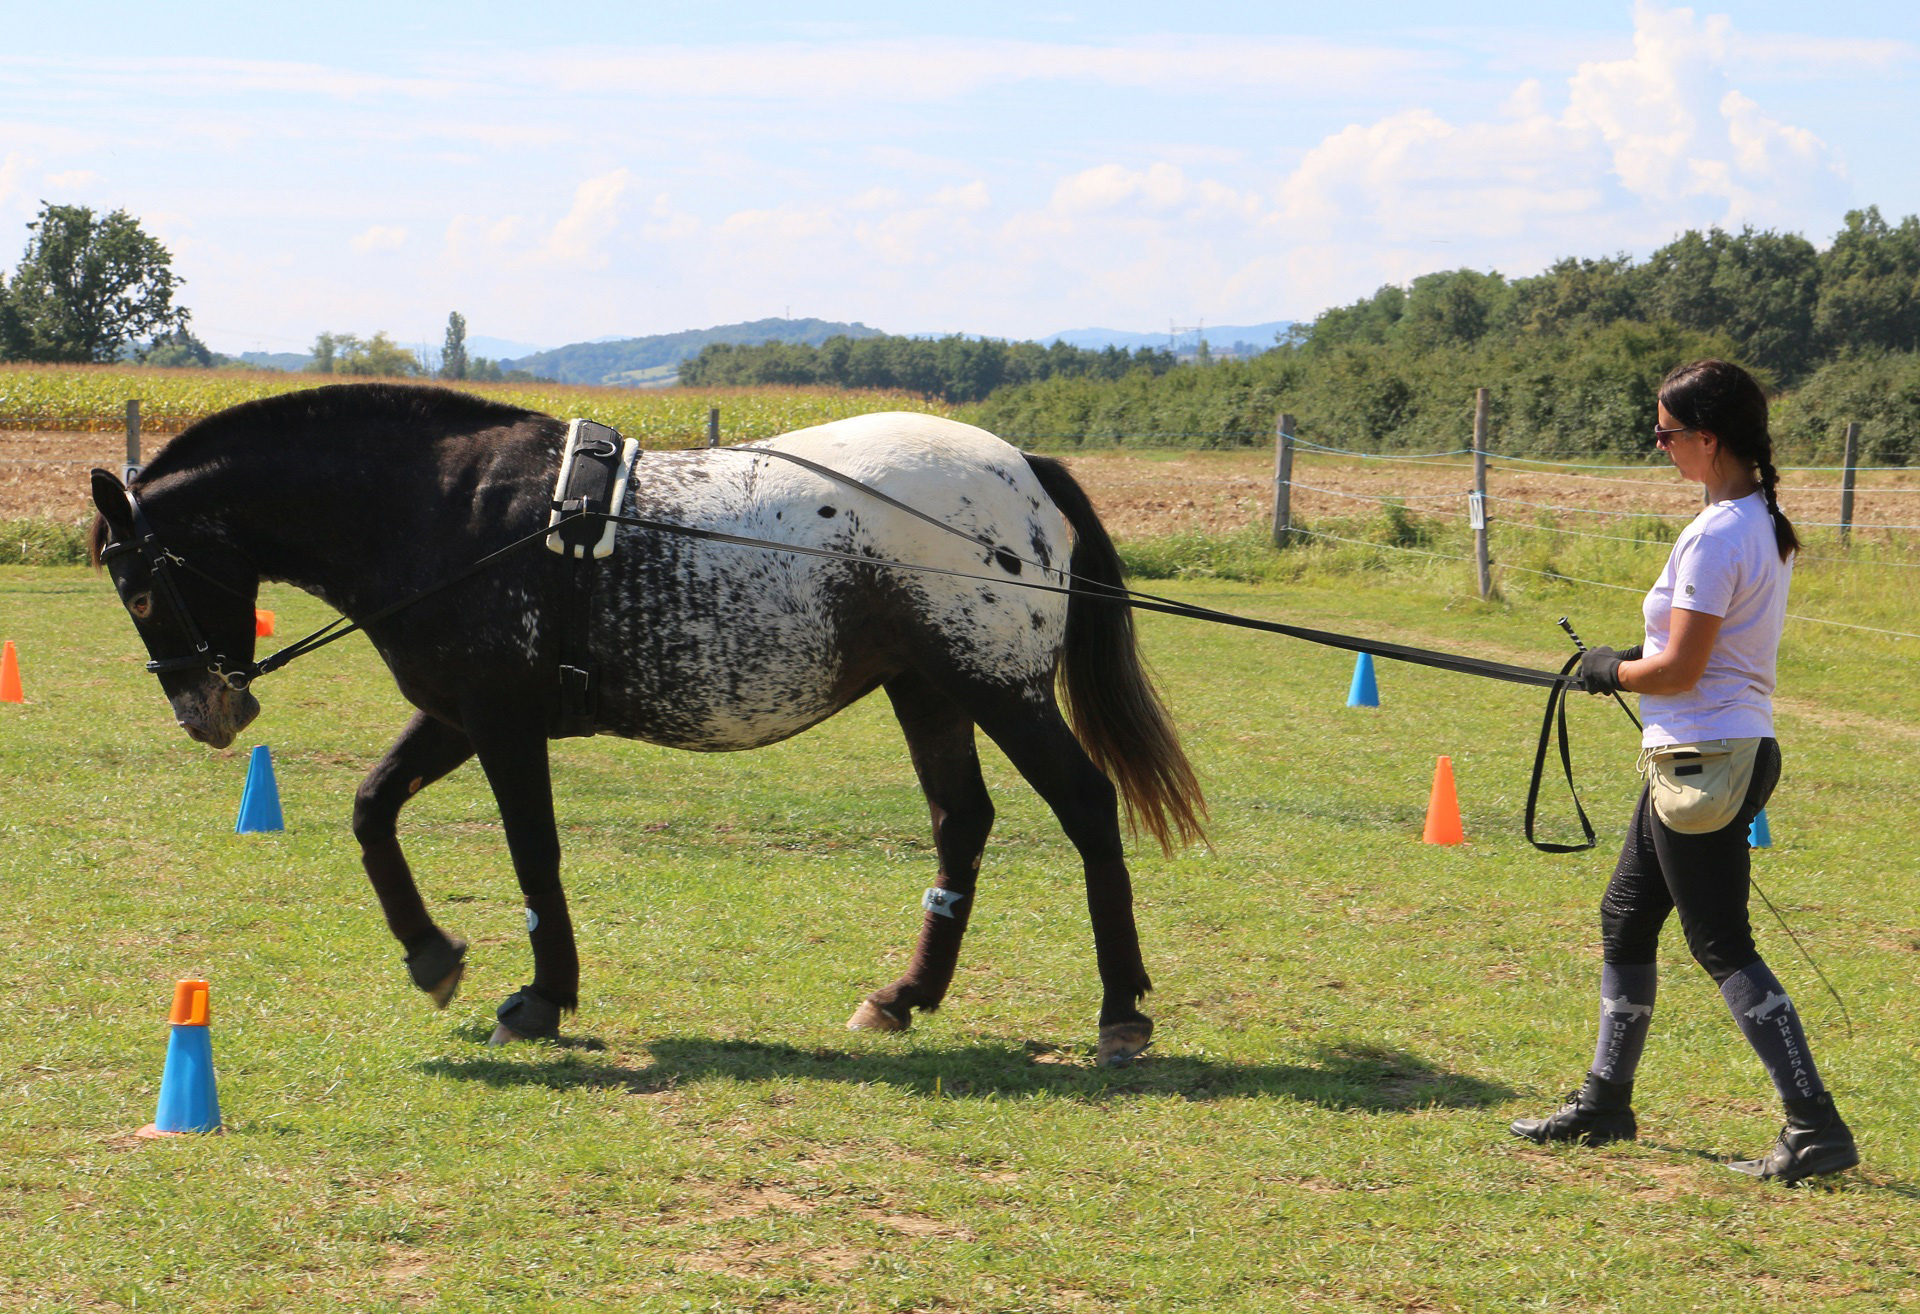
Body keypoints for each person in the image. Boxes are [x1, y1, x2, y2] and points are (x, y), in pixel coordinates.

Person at [1508, 358, 1857, 1186]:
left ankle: (1815, 1125)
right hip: (1714, 748)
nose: (1658, 446)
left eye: (1665, 434)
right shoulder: (1759, 518)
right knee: (1626, 914)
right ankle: (1605, 1102)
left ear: (1707, 439)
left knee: (1720, 942)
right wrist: (1631, 660)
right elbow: (1702, 651)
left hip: (1707, 754)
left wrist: (1610, 671)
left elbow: (1681, 671)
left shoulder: (1718, 534)